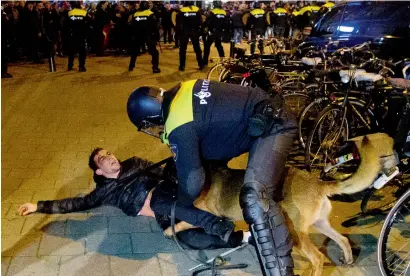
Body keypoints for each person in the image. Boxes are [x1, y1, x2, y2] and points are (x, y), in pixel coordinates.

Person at [127, 80, 298, 276]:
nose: (153, 130)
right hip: (262, 116)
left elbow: (193, 181)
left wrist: (183, 205)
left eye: (149, 125)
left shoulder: (178, 124)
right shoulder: (183, 90)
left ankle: (281, 272)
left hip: (274, 126)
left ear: (151, 116)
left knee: (255, 199)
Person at [18, 148, 249, 250]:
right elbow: (76, 204)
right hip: (161, 213)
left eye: (109, 153)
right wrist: (37, 206)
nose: (110, 157)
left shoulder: (135, 163)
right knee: (187, 240)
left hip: (164, 192)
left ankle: (218, 221)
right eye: (103, 159)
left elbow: (164, 174)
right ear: (99, 171)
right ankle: (240, 238)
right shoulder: (104, 192)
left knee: (161, 199)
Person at [128, 1, 160, 74]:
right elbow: (154, 26)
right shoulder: (150, 14)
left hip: (137, 36)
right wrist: (156, 36)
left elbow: (132, 25)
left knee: (135, 52)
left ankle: (131, 66)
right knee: (154, 52)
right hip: (148, 35)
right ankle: (155, 68)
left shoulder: (135, 14)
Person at [175, 1, 203, 71]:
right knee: (197, 49)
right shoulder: (197, 9)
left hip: (184, 32)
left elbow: (178, 23)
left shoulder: (182, 10)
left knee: (182, 49)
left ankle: (182, 66)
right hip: (194, 31)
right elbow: (200, 22)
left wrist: (178, 33)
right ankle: (201, 65)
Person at [202, 1, 227, 67]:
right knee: (219, 46)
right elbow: (226, 22)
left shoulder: (212, 12)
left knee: (207, 46)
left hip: (212, 32)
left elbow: (208, 22)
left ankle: (205, 62)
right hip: (220, 32)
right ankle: (222, 59)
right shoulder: (223, 12)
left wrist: (204, 25)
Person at [66, 1, 88, 72]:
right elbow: (88, 23)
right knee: (82, 52)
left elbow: (66, 25)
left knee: (71, 51)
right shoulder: (84, 13)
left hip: (72, 35)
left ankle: (70, 65)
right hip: (81, 35)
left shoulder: (70, 13)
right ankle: (81, 66)